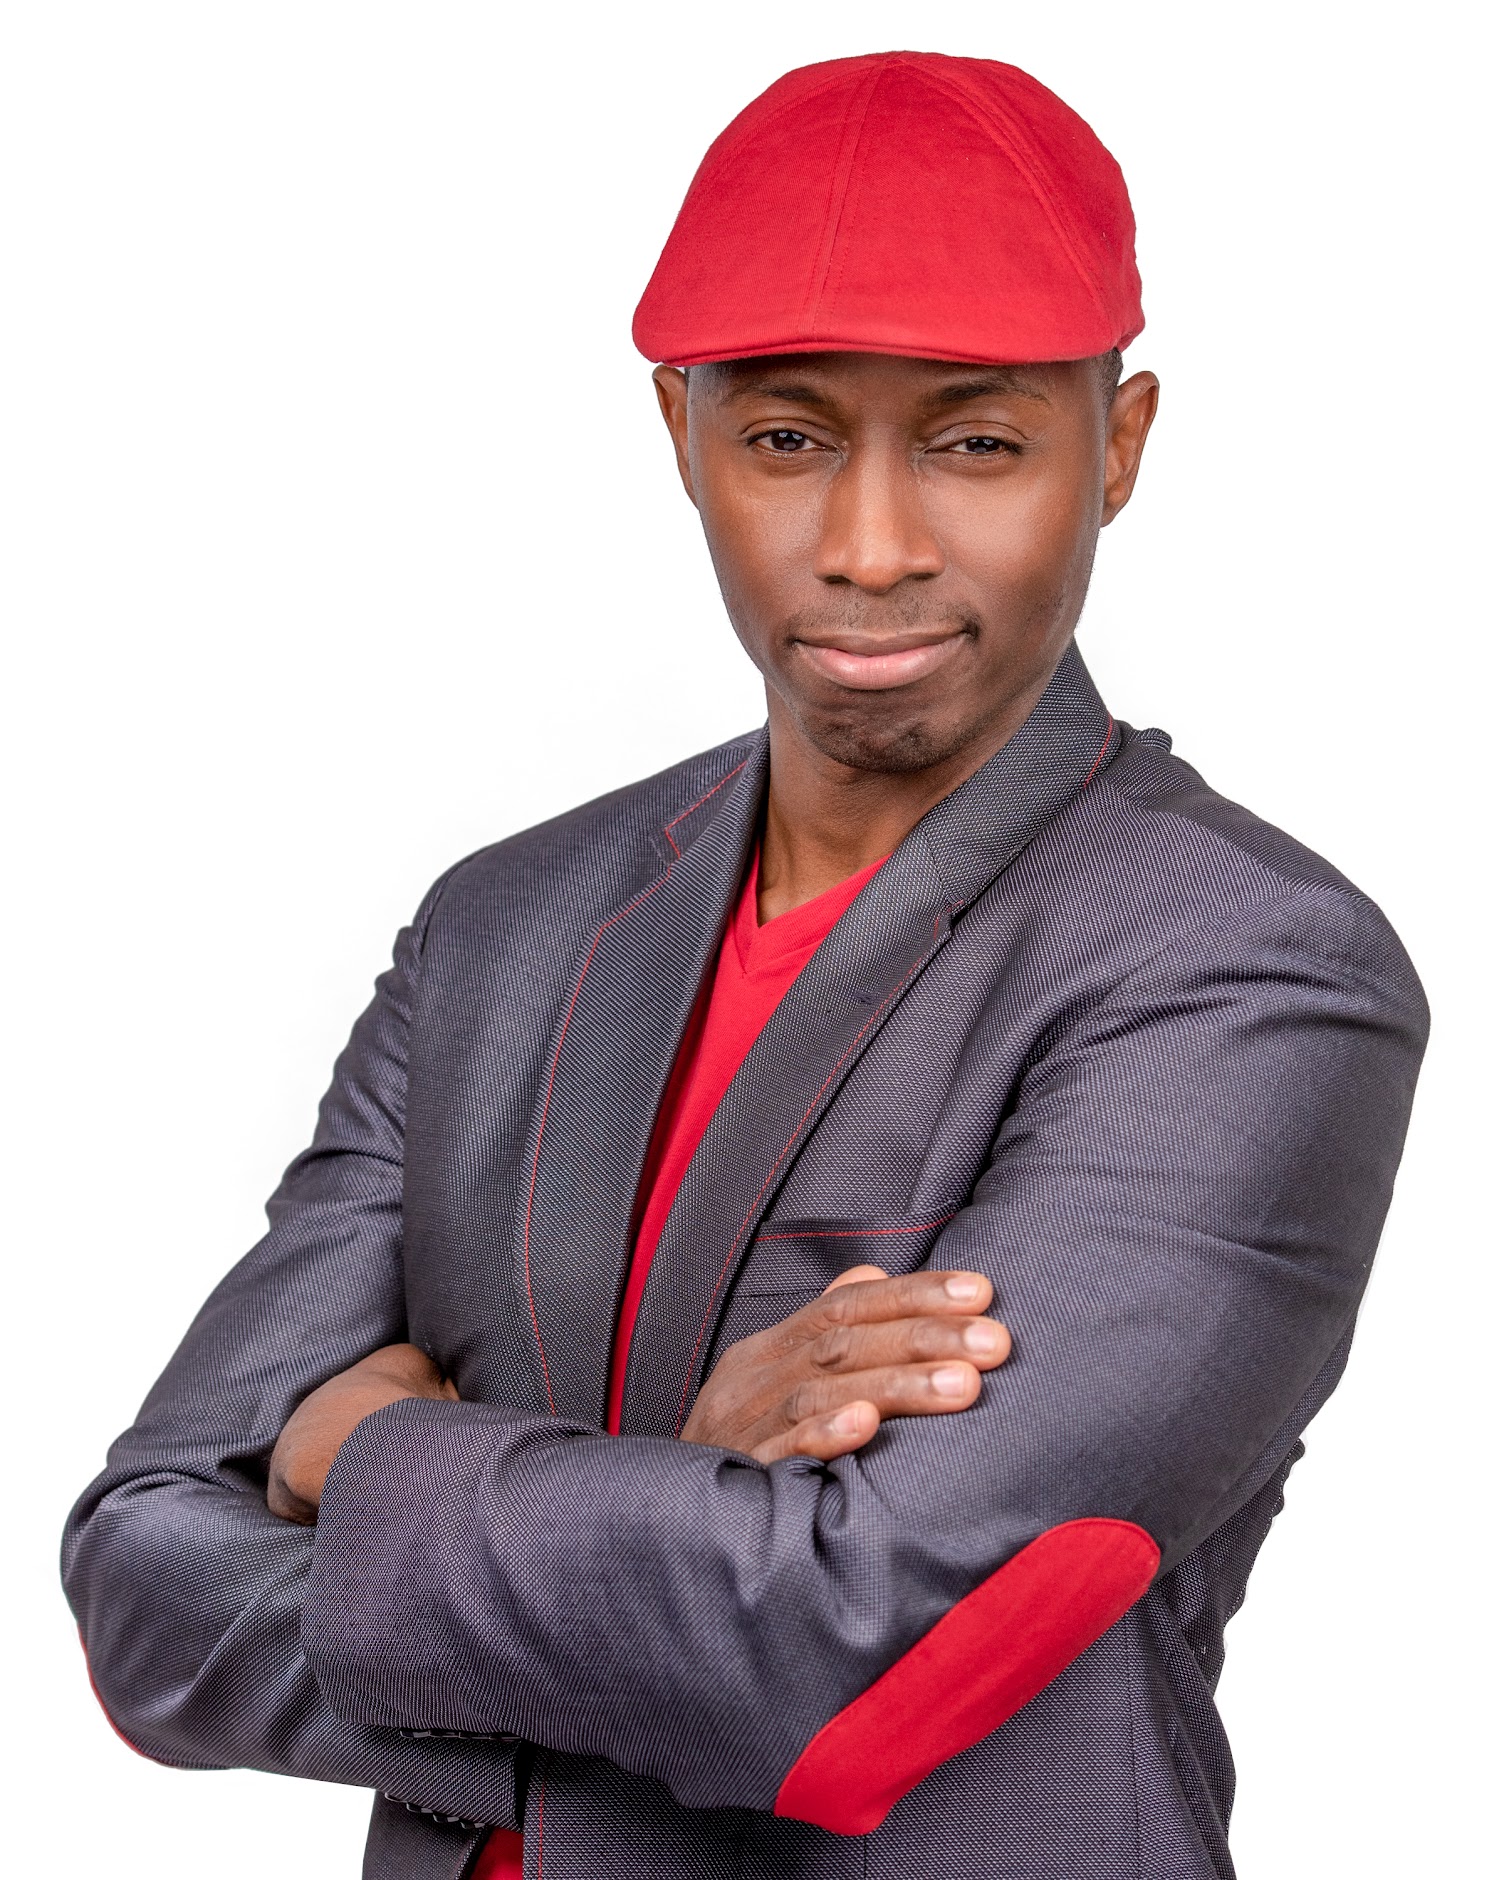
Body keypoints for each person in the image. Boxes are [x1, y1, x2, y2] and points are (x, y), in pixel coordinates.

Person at [63, 50, 1427, 1880]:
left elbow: (845, 1662)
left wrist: (347, 1454)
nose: (870, 548)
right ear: (680, 434)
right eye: (787, 440)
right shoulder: (502, 931)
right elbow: (144, 1589)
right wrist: (682, 1507)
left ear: (1119, 447)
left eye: (977, 442)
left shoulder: (1243, 971)